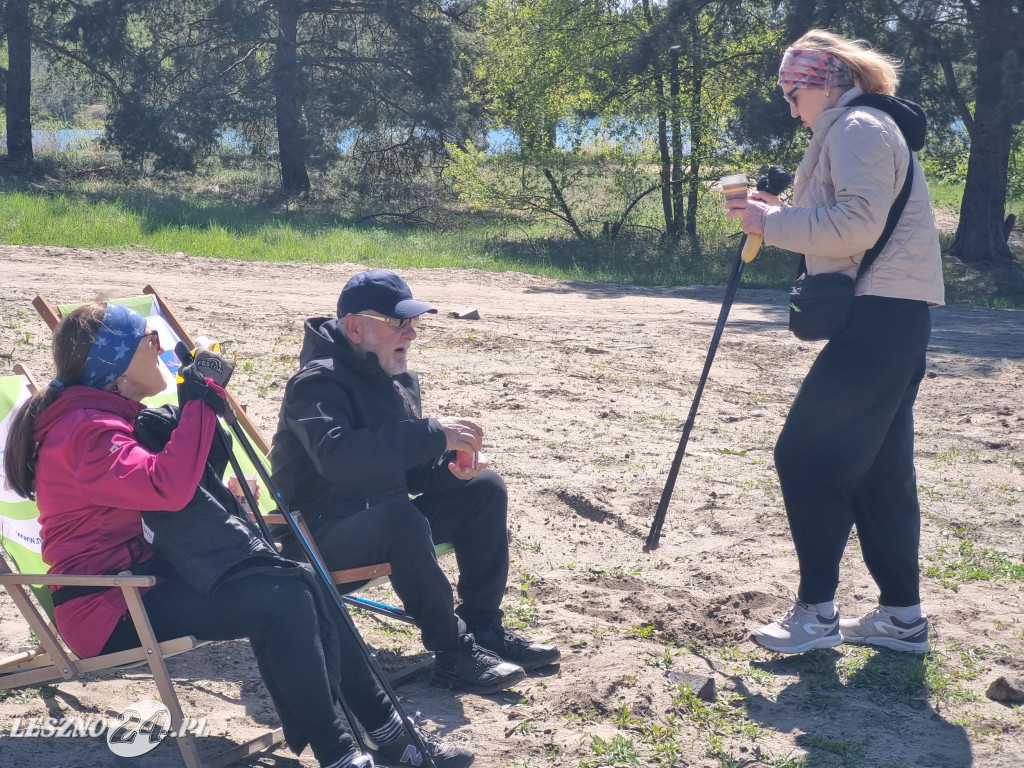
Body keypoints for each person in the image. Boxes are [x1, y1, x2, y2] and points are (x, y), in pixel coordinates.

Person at [2, 302, 473, 768]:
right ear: (117, 363)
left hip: (145, 579)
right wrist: (201, 399)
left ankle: (386, 733)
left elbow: (156, 492)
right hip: (107, 605)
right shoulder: (83, 430)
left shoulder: (100, 414)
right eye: (150, 339)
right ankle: (340, 755)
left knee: (302, 579)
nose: (162, 345)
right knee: (282, 599)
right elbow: (165, 485)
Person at [724, 30, 944, 654]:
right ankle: (901, 619)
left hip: (880, 313)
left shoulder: (857, 129)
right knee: (879, 470)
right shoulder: (858, 128)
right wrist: (779, 213)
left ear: (824, 84)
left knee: (806, 455)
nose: (790, 107)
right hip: (891, 314)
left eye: (792, 93)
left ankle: (817, 614)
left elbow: (854, 225)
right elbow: (847, 218)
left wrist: (771, 221)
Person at [271, 269, 560, 694]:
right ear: (354, 326)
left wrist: (448, 468)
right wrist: (431, 434)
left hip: (388, 521)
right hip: (319, 539)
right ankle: (452, 652)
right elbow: (339, 459)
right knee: (400, 518)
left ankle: (483, 628)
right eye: (398, 323)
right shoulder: (315, 383)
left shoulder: (398, 378)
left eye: (413, 323)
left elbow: (406, 470)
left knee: (484, 489)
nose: (410, 333)